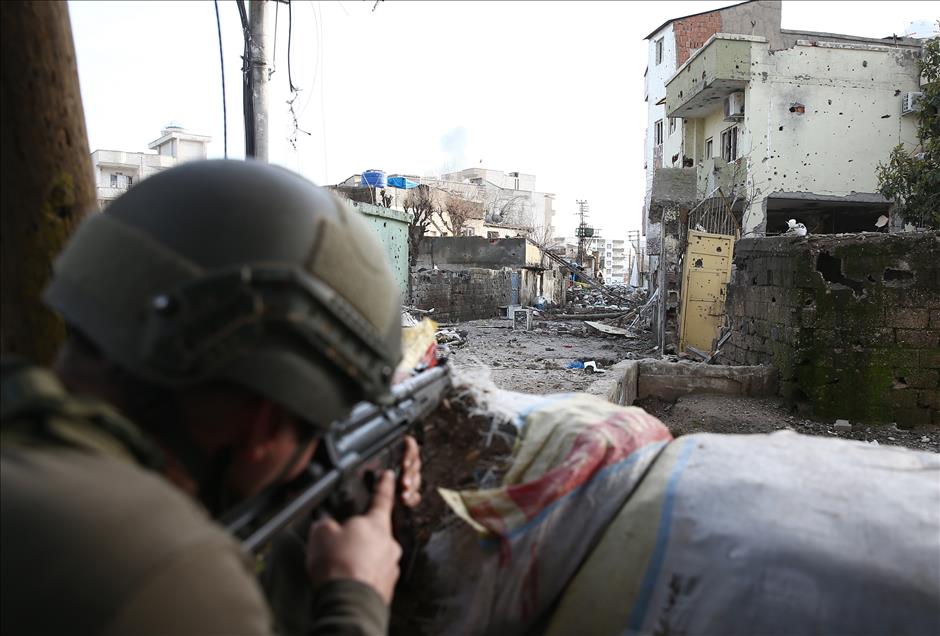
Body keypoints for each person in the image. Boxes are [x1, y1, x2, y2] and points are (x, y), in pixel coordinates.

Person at [1, 160, 422, 635]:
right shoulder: (167, 573)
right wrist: (357, 595)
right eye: (316, 436)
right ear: (266, 424)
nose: (310, 465)